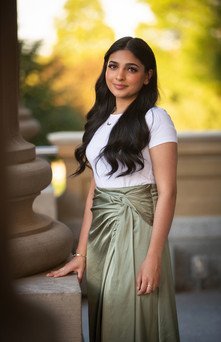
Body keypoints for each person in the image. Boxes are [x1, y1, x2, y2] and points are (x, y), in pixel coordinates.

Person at [47, 36, 180, 342]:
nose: (119, 76)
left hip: (136, 231)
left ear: (147, 76)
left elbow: (168, 191)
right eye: (113, 66)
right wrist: (81, 253)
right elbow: (96, 191)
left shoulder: (155, 118)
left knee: (131, 318)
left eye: (131, 69)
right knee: (107, 318)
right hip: (101, 236)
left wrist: (154, 257)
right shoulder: (100, 120)